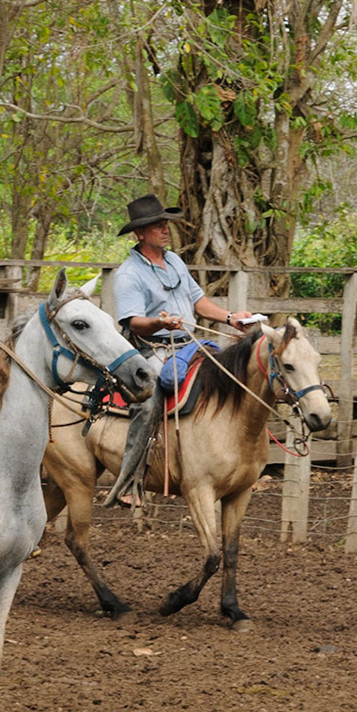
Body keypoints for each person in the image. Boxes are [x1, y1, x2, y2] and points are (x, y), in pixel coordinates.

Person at [105, 194, 255, 508]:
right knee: (149, 401)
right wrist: (160, 323)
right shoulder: (129, 274)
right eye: (156, 225)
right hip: (150, 351)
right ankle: (129, 479)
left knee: (230, 374)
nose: (164, 228)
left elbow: (198, 301)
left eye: (164, 223)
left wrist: (229, 317)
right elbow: (133, 323)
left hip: (188, 345)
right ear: (140, 233)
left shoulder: (174, 260)